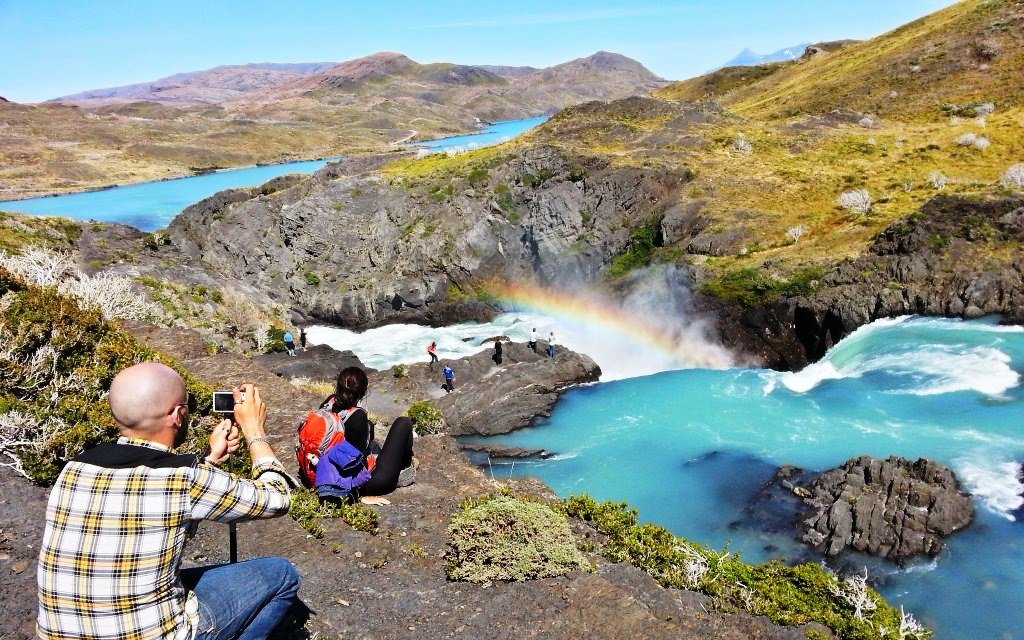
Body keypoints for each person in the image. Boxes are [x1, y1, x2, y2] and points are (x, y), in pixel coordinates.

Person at [37, 362, 299, 640]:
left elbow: (148, 500)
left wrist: (209, 460)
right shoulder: (185, 479)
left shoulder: (74, 469)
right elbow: (278, 498)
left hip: (58, 633)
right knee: (282, 574)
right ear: (177, 414)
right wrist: (255, 431)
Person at [315, 367, 415, 502]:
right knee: (404, 422)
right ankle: (405, 468)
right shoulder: (357, 416)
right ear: (363, 392)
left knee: (373, 443)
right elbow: (353, 464)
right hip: (366, 483)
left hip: (323, 470)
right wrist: (360, 497)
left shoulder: (329, 403)